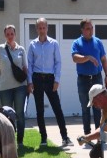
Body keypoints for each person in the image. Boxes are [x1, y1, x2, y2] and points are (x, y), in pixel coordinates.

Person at [27, 17, 73, 149]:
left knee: (57, 108)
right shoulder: (32, 45)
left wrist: (57, 80)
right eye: (39, 28)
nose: (42, 30)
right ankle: (43, 138)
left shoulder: (54, 43)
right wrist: (30, 82)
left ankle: (65, 137)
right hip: (36, 79)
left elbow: (58, 62)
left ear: (47, 28)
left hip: (50, 79)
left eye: (44, 27)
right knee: (39, 110)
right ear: (37, 29)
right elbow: (29, 64)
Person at [0, 24, 30, 145]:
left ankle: (20, 141)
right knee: (6, 115)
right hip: (5, 87)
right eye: (8, 34)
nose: (10, 36)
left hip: (20, 86)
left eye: (12, 34)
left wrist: (29, 84)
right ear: (5, 35)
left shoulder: (21, 49)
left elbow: (25, 68)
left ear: (15, 34)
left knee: (19, 113)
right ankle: (9, 140)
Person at [71, 19, 107, 136]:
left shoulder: (98, 42)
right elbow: (75, 58)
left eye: (92, 28)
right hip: (83, 79)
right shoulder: (77, 43)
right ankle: (87, 134)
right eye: (88, 28)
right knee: (85, 107)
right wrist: (87, 57)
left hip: (97, 78)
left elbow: (103, 60)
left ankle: (98, 133)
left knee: (98, 107)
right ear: (82, 30)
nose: (90, 30)